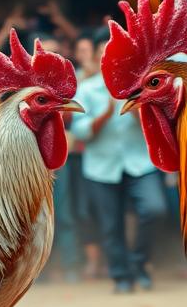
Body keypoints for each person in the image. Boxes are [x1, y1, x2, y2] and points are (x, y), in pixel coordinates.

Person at [71, 39, 166, 293]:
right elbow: (79, 131)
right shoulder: (88, 89)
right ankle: (121, 277)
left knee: (154, 208)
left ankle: (139, 265)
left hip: (140, 162)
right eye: (106, 55)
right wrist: (102, 117)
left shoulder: (144, 87)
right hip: (101, 166)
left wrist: (136, 106)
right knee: (110, 224)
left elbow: (159, 124)